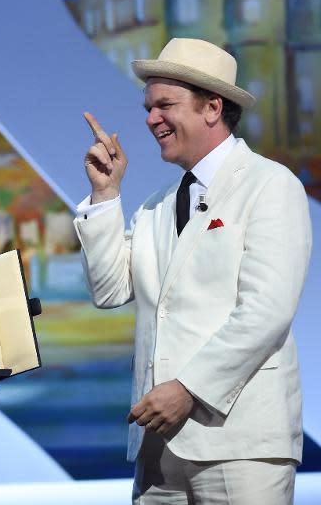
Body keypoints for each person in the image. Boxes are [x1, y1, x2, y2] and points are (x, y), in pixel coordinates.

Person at [74, 38, 311, 504]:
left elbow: (267, 310)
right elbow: (108, 289)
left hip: (239, 443)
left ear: (211, 107)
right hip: (157, 447)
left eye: (165, 105)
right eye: (148, 106)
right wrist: (105, 196)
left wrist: (188, 389)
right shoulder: (156, 205)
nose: (150, 119)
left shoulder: (270, 185)